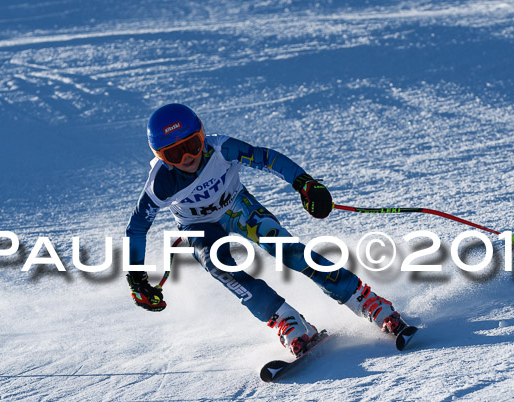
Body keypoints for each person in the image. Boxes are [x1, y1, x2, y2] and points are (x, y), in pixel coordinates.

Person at [125, 103, 410, 356]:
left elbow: (266, 158)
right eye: (174, 153)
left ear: (203, 135)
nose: (187, 157)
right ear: (161, 156)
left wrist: (305, 183)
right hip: (198, 226)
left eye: (193, 144)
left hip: (238, 207)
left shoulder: (222, 148)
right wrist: (135, 277)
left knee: (290, 252)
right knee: (221, 268)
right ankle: (286, 320)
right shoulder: (160, 183)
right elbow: (137, 226)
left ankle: (362, 298)